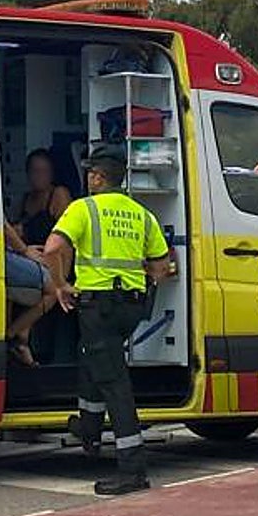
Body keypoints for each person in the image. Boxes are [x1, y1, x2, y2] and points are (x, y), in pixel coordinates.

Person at [42, 147, 170, 496]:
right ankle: (89, 428)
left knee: (114, 382)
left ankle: (133, 470)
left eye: (91, 173)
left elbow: (53, 248)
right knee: (93, 359)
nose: (88, 178)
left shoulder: (83, 208)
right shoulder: (142, 214)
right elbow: (161, 266)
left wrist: (60, 285)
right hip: (130, 308)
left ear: (98, 177)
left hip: (98, 306)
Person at [3, 220, 55, 366]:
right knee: (54, 287)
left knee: (13, 290)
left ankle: (21, 336)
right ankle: (12, 336)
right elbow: (3, 225)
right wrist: (25, 250)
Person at [15, 149, 73, 248]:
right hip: (29, 255)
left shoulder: (59, 194)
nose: (40, 176)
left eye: (45, 171)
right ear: (28, 173)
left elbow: (67, 233)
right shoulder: (25, 199)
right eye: (35, 171)